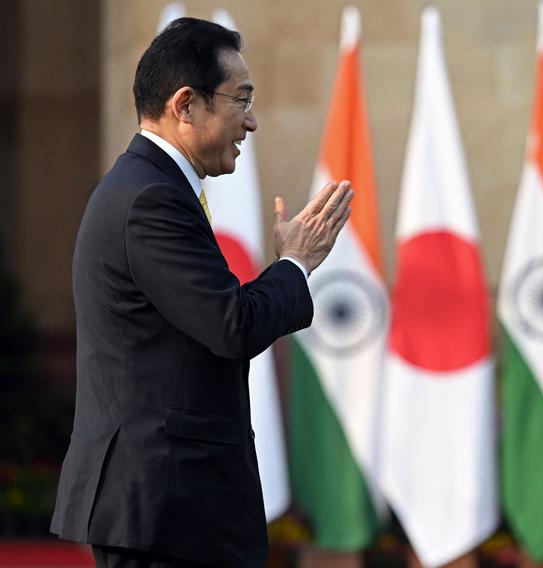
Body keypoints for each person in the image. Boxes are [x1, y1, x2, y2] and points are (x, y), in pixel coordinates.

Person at [50, 18, 353, 567]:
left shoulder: (148, 187)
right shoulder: (149, 199)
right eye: (240, 100)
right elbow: (232, 325)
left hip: (175, 506)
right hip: (164, 508)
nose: (253, 121)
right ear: (185, 105)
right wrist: (296, 263)